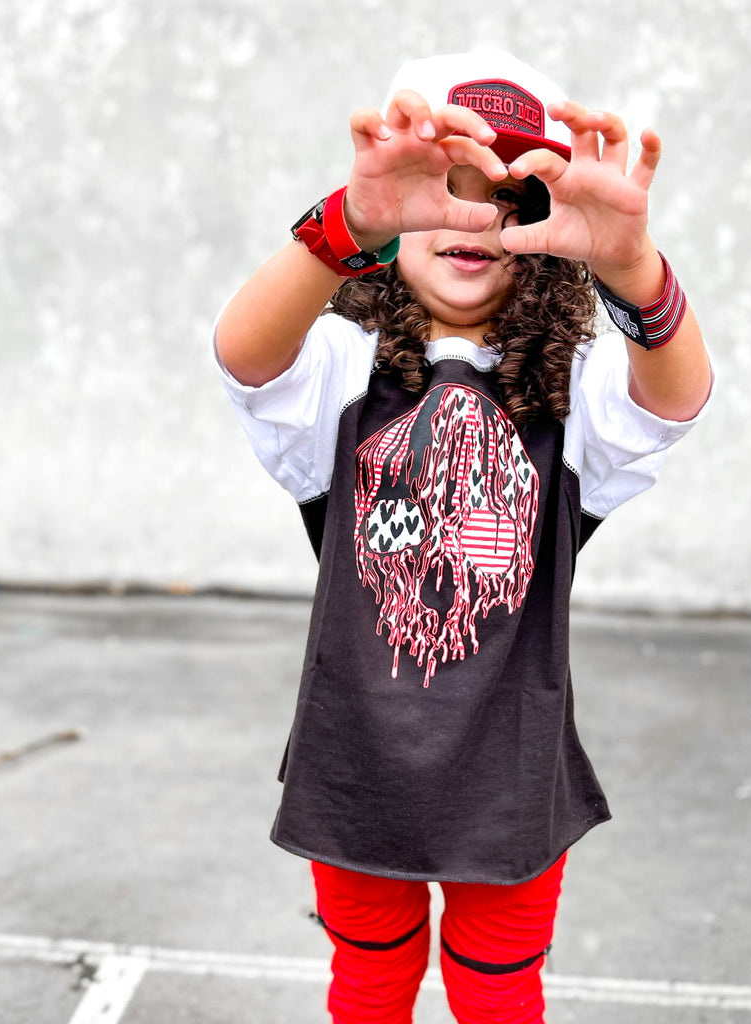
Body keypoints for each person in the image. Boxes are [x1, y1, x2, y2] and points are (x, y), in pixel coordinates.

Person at [215, 49, 712, 1024]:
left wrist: (632, 268)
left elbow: (675, 398)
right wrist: (346, 224)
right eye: (446, 186)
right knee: (369, 984)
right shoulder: (341, 370)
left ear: (548, 229)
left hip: (509, 772)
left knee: (499, 993)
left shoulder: (575, 392)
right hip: (354, 765)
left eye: (508, 199)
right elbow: (245, 355)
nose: (472, 218)